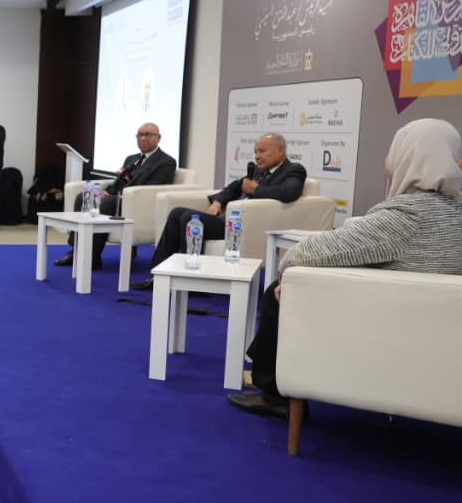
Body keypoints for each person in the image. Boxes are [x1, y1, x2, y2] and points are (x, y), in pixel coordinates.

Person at [229, 118, 462, 419]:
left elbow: (305, 253)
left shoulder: (405, 216)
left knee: (279, 291)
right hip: (438, 338)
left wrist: (286, 272)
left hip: (380, 326)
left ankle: (274, 392)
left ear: (407, 157)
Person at [133, 132, 306, 290]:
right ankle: (157, 274)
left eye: (262, 151)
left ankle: (190, 281)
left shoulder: (293, 170)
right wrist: (217, 202)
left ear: (280, 151)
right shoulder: (259, 171)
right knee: (177, 213)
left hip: (244, 227)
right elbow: (233, 187)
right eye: (255, 152)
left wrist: (256, 189)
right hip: (228, 220)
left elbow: (289, 192)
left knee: (189, 218)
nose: (257, 156)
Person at [56, 122, 176, 269]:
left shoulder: (166, 162)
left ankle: (92, 256)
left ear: (159, 138)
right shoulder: (132, 159)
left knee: (106, 203)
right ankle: (76, 251)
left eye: (148, 135)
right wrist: (108, 191)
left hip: (137, 204)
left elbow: (154, 187)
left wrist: (119, 195)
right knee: (83, 197)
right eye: (139, 135)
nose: (143, 138)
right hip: (118, 198)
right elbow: (122, 180)